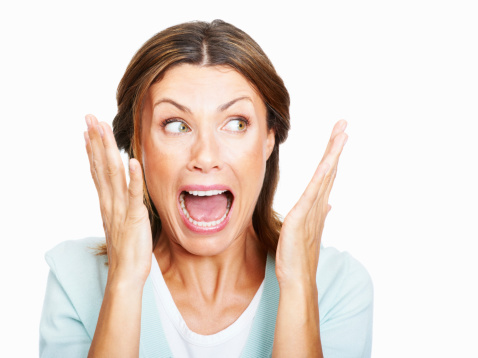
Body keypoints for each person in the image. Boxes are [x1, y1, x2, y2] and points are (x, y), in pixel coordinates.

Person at [40, 20, 373, 357]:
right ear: (138, 143)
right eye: (176, 125)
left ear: (269, 140)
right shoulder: (74, 279)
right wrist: (124, 283)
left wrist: (299, 287)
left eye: (235, 124)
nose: (206, 156)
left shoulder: (336, 285)